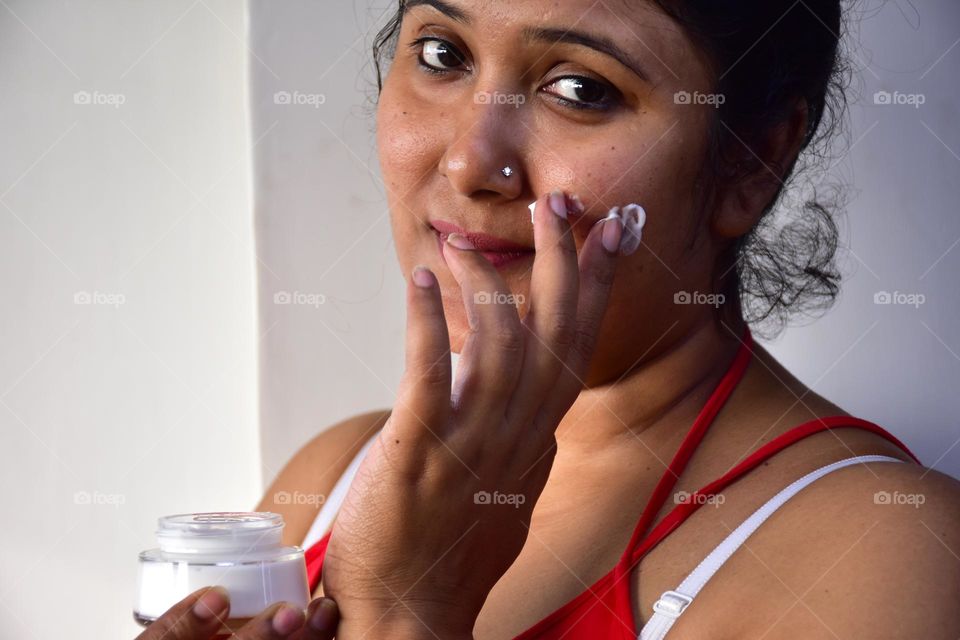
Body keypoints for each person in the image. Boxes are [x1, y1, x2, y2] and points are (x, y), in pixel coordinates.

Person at [137, 1, 960, 638]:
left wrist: (407, 608)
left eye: (580, 89)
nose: (470, 161)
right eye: (443, 54)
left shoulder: (889, 548)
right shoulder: (339, 473)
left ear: (752, 161)